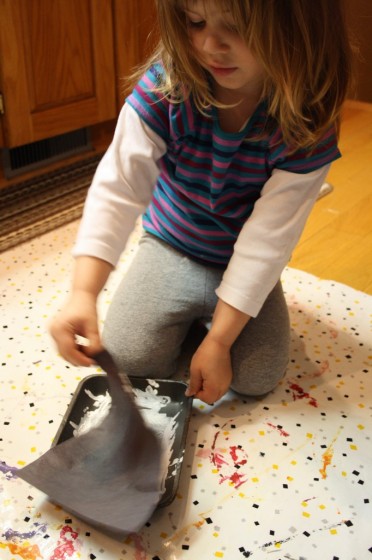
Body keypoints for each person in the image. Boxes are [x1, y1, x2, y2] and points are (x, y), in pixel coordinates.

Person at [50, 0, 353, 405]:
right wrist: (83, 292)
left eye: (238, 27)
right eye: (195, 21)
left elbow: (267, 242)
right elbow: (119, 188)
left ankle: (207, 324)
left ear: (300, 31)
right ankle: (193, 322)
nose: (210, 44)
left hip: (243, 261)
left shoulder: (306, 122)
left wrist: (220, 340)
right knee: (131, 358)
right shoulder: (168, 86)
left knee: (256, 377)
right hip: (172, 245)